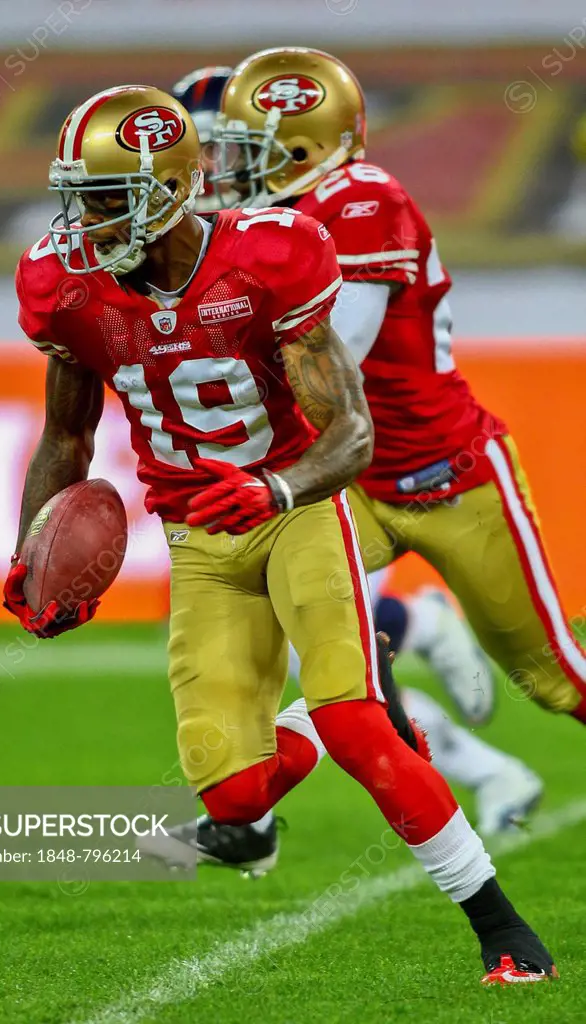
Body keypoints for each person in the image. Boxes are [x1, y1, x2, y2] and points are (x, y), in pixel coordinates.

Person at [5, 83, 556, 986]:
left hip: (297, 512)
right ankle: (358, 689)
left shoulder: (269, 254)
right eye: (78, 196)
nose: (83, 221)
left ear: (170, 190)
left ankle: (500, 928)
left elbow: (350, 435)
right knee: (234, 796)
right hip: (198, 539)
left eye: (106, 198)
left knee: (356, 726)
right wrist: (29, 556)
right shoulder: (63, 286)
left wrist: (272, 486)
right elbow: (65, 437)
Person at [167, 64, 544, 873]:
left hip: (441, 470)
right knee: (316, 650)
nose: (222, 171)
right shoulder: (272, 216)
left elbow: (337, 365)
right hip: (349, 477)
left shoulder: (361, 201)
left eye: (240, 150)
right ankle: (256, 809)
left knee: (554, 680)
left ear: (302, 146)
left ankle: (424, 644)